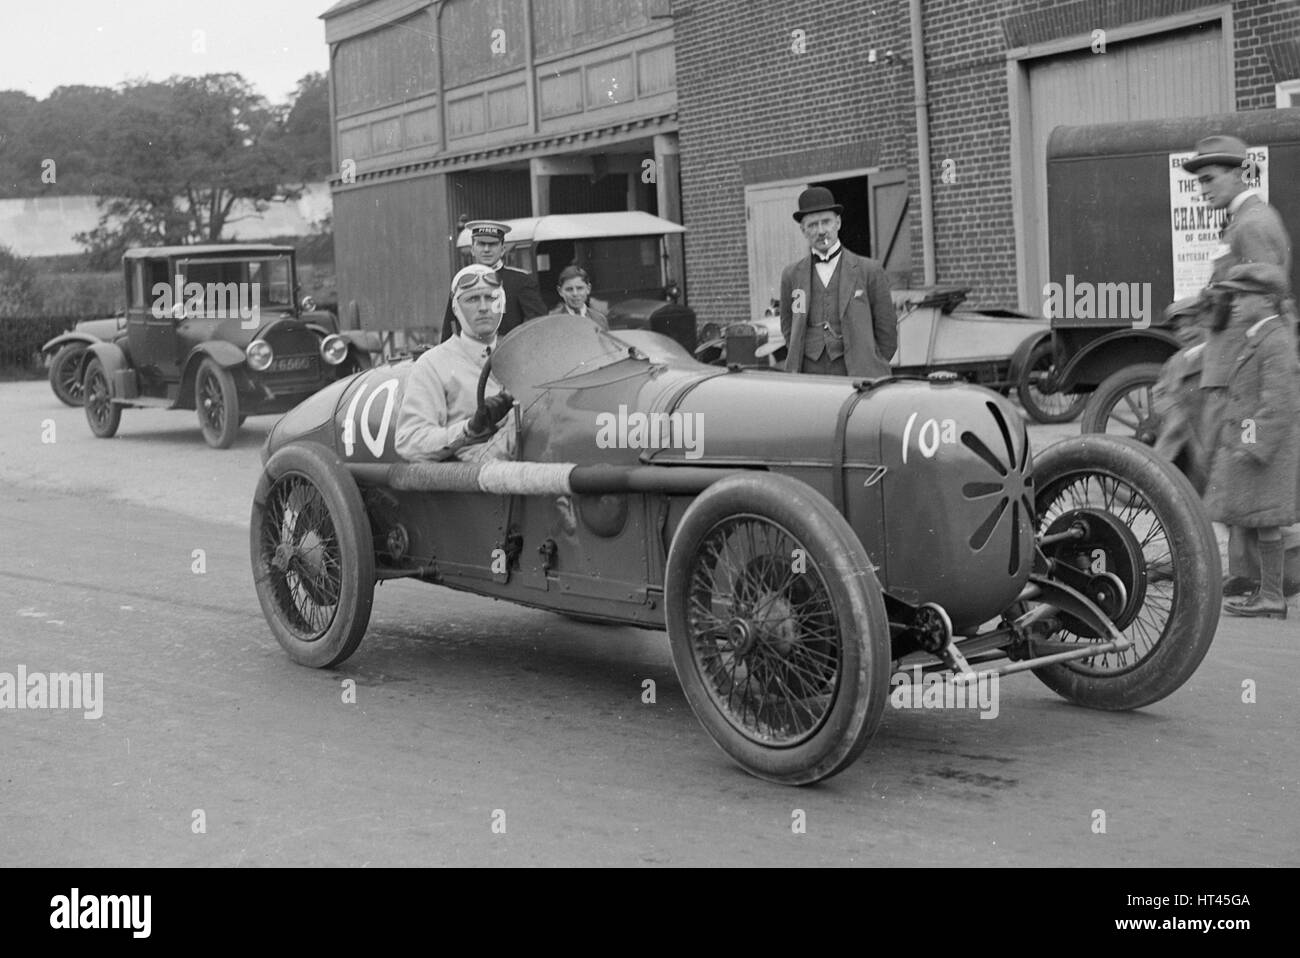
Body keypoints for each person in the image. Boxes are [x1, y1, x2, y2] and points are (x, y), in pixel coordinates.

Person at [1201, 263, 1300, 619]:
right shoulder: (1262, 335)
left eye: (1244, 296)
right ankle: (1266, 590)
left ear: (1268, 300)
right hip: (1261, 450)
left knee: (1268, 522)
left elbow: (1278, 403)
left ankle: (1272, 595)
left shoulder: (1274, 341)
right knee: (1262, 522)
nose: (1236, 302)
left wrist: (1249, 444)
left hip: (1267, 453)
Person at [396, 264, 516, 462]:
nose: (484, 307)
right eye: (472, 299)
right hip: (475, 476)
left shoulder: (522, 353)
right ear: (456, 308)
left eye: (492, 298)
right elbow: (409, 441)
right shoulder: (433, 364)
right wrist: (470, 427)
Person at [779, 186, 897, 377]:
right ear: (803, 230)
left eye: (826, 222)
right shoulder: (792, 275)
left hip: (857, 375)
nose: (821, 231)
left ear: (838, 223)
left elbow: (887, 331)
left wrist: (871, 363)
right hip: (809, 375)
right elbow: (788, 326)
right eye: (812, 225)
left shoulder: (869, 270)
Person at [440, 220, 547, 342]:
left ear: (503, 249)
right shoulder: (462, 282)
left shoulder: (520, 282)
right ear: (472, 249)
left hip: (508, 355)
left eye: (493, 244)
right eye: (481, 244)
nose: (486, 249)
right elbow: (450, 326)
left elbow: (538, 324)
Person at [548, 264, 609, 329]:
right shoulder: (553, 319)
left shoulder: (599, 319)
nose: (575, 294)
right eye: (569, 289)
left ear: (588, 289)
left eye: (580, 288)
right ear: (560, 291)